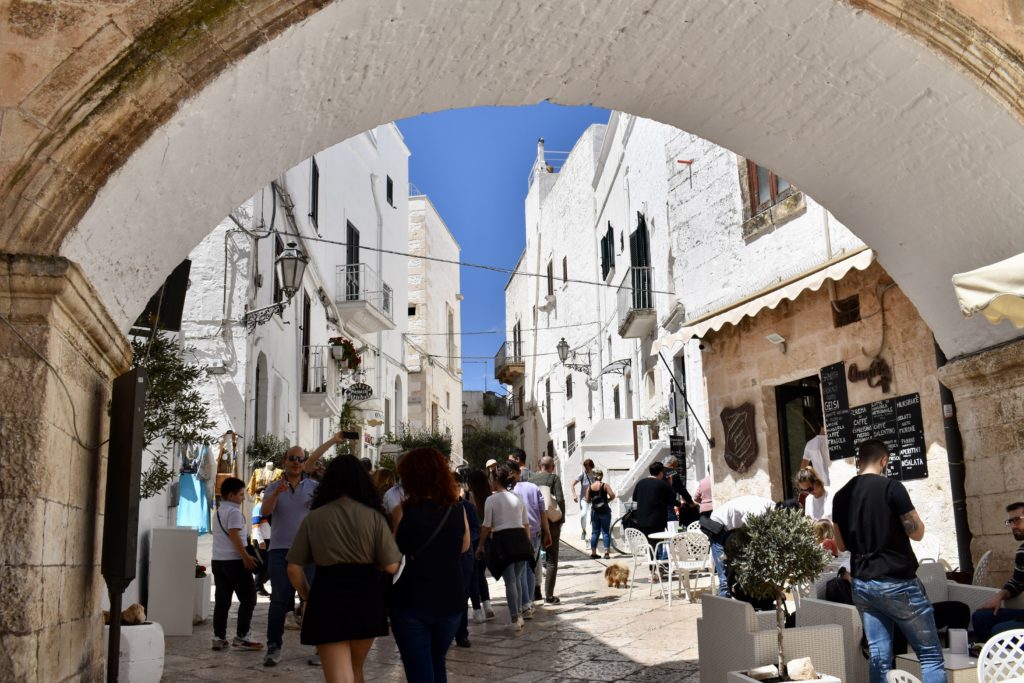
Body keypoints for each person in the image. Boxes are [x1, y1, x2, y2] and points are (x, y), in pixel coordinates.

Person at [832, 439, 944, 683]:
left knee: (880, 656)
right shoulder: (892, 488)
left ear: (860, 462)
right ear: (884, 461)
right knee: (930, 655)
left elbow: (840, 545)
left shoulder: (840, 496)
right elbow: (917, 532)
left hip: (862, 584)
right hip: (897, 582)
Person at [285, 455, 401, 683]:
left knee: (339, 675)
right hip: (366, 597)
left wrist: (307, 597)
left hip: (328, 596)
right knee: (356, 670)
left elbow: (293, 569)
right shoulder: (375, 517)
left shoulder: (314, 518)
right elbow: (391, 565)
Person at [261, 432, 349, 667]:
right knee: (279, 600)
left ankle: (320, 648)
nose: (296, 462)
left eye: (300, 459)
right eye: (292, 458)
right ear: (284, 462)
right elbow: (265, 513)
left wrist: (332, 441)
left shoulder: (313, 487)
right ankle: (273, 647)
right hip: (280, 551)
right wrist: (276, 495)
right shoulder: (272, 488)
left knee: (314, 599)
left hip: (310, 552)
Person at [389, 448, 471, 682]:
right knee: (437, 663)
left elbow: (393, 557)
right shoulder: (457, 509)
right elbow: (465, 547)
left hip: (412, 601)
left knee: (420, 672)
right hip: (450, 599)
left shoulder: (402, 511)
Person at [476, 465, 533, 631]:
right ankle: (520, 614)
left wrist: (480, 546)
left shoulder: (490, 500)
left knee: (511, 582)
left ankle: (515, 618)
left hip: (504, 540)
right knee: (517, 579)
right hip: (521, 539)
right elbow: (526, 523)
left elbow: (486, 526)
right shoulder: (518, 498)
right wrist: (528, 544)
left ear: (495, 480)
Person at [210, 477, 263, 651]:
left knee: (222, 601)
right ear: (231, 495)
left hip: (218, 561)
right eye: (241, 494)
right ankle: (242, 636)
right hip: (234, 562)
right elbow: (234, 535)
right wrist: (245, 557)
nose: (243, 497)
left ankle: (218, 637)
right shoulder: (234, 513)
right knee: (249, 598)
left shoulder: (217, 512)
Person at [972, 501, 1024, 641]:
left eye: (1017, 520)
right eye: (1010, 521)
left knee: (998, 631)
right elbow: (1017, 583)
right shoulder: (1022, 551)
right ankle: (989, 660)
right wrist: (1000, 595)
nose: (1013, 526)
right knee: (980, 617)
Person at [705, 494, 774, 597]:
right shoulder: (761, 510)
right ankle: (723, 607)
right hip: (718, 524)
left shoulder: (772, 507)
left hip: (731, 528)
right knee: (724, 572)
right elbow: (746, 530)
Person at [508, 461, 551, 618]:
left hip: (515, 534)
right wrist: (547, 532)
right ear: (519, 472)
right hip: (533, 532)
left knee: (520, 570)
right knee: (530, 568)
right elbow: (543, 511)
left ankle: (524, 604)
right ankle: (529, 603)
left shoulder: (506, 491)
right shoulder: (532, 488)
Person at [530, 455, 565, 603]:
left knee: (534, 559)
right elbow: (560, 499)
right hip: (551, 523)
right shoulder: (554, 478)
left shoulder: (530, 481)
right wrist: (561, 519)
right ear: (552, 467)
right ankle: (549, 596)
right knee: (551, 560)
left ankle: (534, 592)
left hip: (534, 522)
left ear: (539, 467)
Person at [453, 469, 481, 648]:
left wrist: (466, 538)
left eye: (457, 485)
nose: (455, 489)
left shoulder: (468, 507)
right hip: (447, 558)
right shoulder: (440, 507)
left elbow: (476, 529)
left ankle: (461, 633)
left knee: (463, 596)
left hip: (464, 558)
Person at [466, 468, 496, 622]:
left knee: (472, 576)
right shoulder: (489, 497)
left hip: (471, 540)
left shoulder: (468, 497)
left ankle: (477, 611)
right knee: (481, 574)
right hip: (487, 539)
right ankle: (488, 605)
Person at [633, 461, 675, 549]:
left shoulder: (640, 483)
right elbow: (672, 500)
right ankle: (657, 561)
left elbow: (635, 498)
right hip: (657, 520)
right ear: (660, 472)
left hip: (642, 520)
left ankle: (652, 560)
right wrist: (670, 485)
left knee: (649, 543)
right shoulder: (662, 484)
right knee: (658, 543)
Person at [585, 469, 616, 559]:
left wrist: (594, 502)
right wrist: (607, 501)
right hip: (605, 511)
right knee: (605, 532)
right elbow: (613, 495)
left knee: (595, 533)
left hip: (594, 512)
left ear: (594, 477)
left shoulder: (590, 487)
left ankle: (594, 553)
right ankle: (606, 553)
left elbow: (587, 500)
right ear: (601, 476)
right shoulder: (605, 485)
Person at [666, 457, 699, 526]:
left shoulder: (660, 472)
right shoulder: (671, 472)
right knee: (673, 525)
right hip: (668, 504)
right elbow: (681, 489)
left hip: (658, 504)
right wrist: (690, 502)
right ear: (673, 464)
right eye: (676, 466)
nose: (676, 468)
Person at [251, 487, 271, 596]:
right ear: (259, 495)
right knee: (262, 564)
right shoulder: (258, 507)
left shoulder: (271, 507)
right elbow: (255, 525)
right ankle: (258, 587)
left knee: (269, 564)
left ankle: (258, 584)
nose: (266, 493)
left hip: (270, 539)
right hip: (261, 540)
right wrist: (260, 540)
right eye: (263, 492)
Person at [572, 458, 597, 541]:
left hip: (594, 498)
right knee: (583, 515)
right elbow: (572, 484)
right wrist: (574, 495)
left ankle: (594, 532)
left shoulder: (595, 474)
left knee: (594, 515)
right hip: (584, 498)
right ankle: (583, 531)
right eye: (585, 466)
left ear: (591, 466)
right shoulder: (582, 474)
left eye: (588, 466)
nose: (586, 468)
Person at [800, 419, 831, 487]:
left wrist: (804, 484)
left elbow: (804, 466)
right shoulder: (837, 441)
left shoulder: (810, 444)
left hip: (821, 486)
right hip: (836, 483)